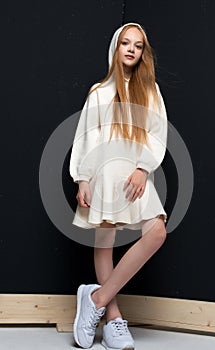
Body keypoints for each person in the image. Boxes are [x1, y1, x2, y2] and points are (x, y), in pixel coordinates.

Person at [69, 22, 168, 350]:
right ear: (116, 47)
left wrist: (143, 169)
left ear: (143, 53)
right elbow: (86, 136)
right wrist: (82, 177)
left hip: (134, 173)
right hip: (103, 172)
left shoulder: (150, 91)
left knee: (156, 232)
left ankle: (95, 298)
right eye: (126, 43)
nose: (131, 49)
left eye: (138, 45)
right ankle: (112, 318)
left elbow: (157, 134)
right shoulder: (99, 92)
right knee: (106, 236)